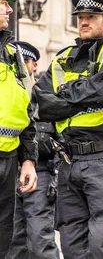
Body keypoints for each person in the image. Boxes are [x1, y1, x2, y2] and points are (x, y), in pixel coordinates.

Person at [34, 0, 103, 258]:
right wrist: (83, 96)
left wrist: (64, 96)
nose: (83, 22)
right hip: (67, 159)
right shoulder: (63, 57)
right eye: (81, 17)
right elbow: (42, 103)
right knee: (71, 243)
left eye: (91, 17)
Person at [7, 41, 60, 259]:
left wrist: (57, 176)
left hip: (41, 174)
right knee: (12, 241)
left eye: (24, 62)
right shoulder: (7, 96)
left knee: (40, 241)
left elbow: (63, 137)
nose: (20, 66)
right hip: (10, 172)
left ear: (34, 65)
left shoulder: (46, 97)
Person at [0, 0, 38, 258]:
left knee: (4, 237)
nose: (9, 9)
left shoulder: (13, 53)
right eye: (2, 2)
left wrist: (28, 159)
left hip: (9, 159)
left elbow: (26, 110)